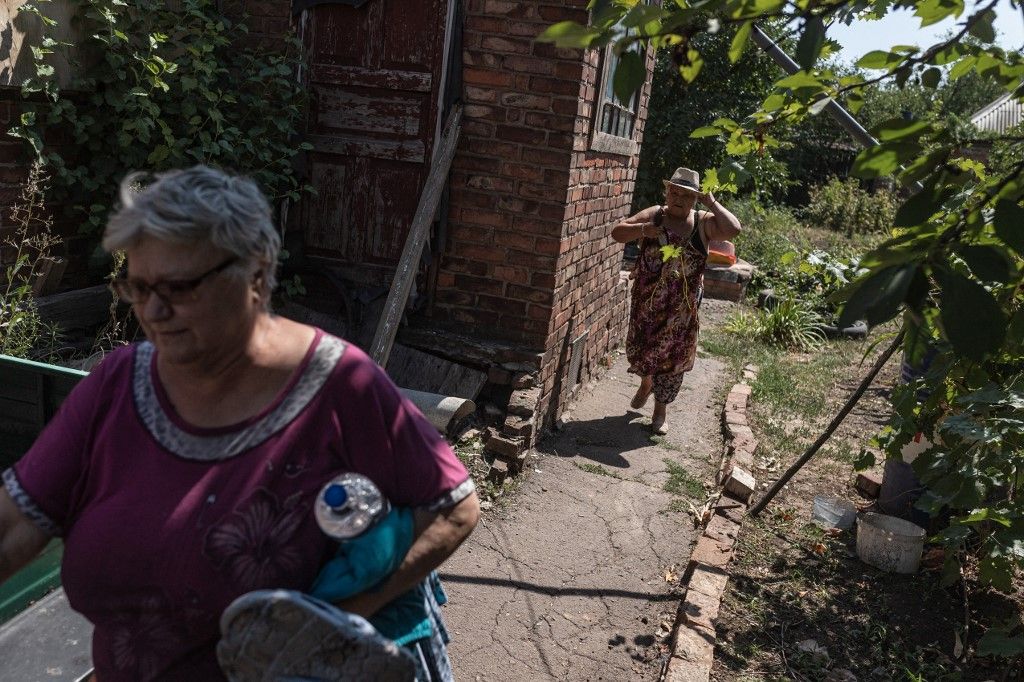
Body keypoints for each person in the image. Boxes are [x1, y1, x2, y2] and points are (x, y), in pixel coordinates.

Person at [0, 165, 480, 681]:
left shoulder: (341, 386)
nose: (154, 310)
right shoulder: (118, 384)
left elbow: (452, 507)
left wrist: (339, 621)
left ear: (253, 274)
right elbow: (15, 524)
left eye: (179, 286)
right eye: (137, 287)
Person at [611, 167, 742, 435]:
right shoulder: (655, 215)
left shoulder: (703, 222)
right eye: (674, 192)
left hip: (681, 310)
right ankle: (647, 382)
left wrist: (712, 202)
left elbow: (733, 229)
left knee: (673, 358)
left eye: (686, 195)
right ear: (666, 192)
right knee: (642, 349)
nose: (678, 198)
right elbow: (618, 232)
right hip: (647, 304)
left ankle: (661, 411)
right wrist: (644, 230)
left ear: (696, 199)